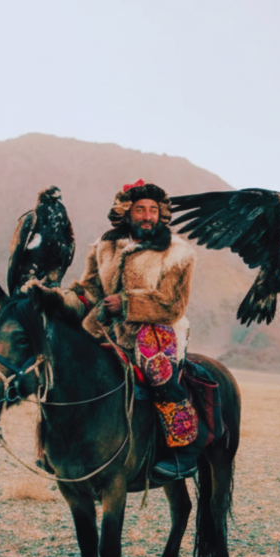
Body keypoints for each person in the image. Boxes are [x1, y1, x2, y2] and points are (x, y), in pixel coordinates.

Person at [59, 179, 199, 480]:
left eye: (153, 210)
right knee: (65, 363)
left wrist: (126, 303)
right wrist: (63, 300)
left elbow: (173, 305)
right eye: (140, 209)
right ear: (127, 213)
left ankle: (183, 450)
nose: (148, 216)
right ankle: (60, 447)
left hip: (158, 327)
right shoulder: (104, 247)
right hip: (105, 326)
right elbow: (90, 289)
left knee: (158, 369)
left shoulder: (177, 252)